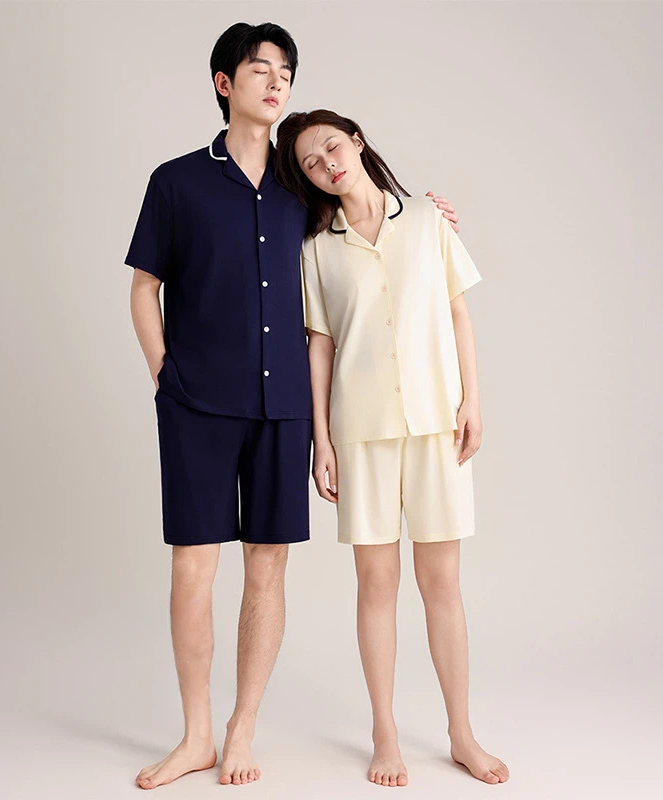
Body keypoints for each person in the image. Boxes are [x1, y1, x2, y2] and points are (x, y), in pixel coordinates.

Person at [124, 24, 461, 789]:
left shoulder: (303, 187)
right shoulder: (176, 182)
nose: (277, 82)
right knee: (193, 568)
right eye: (260, 69)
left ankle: (241, 728)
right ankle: (195, 736)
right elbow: (144, 286)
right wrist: (165, 376)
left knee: (268, 568)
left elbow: (375, 219)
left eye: (286, 71)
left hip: (284, 409)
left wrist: (434, 212)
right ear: (224, 83)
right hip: (197, 404)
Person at [275, 109, 510, 788]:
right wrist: (321, 440)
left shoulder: (430, 220)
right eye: (312, 163)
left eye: (332, 147)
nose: (327, 164)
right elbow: (320, 346)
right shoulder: (316, 249)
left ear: (356, 141)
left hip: (437, 423)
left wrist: (472, 400)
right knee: (375, 586)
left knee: (443, 584)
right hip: (361, 432)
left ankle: (461, 733)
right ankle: (384, 733)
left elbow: (458, 311)